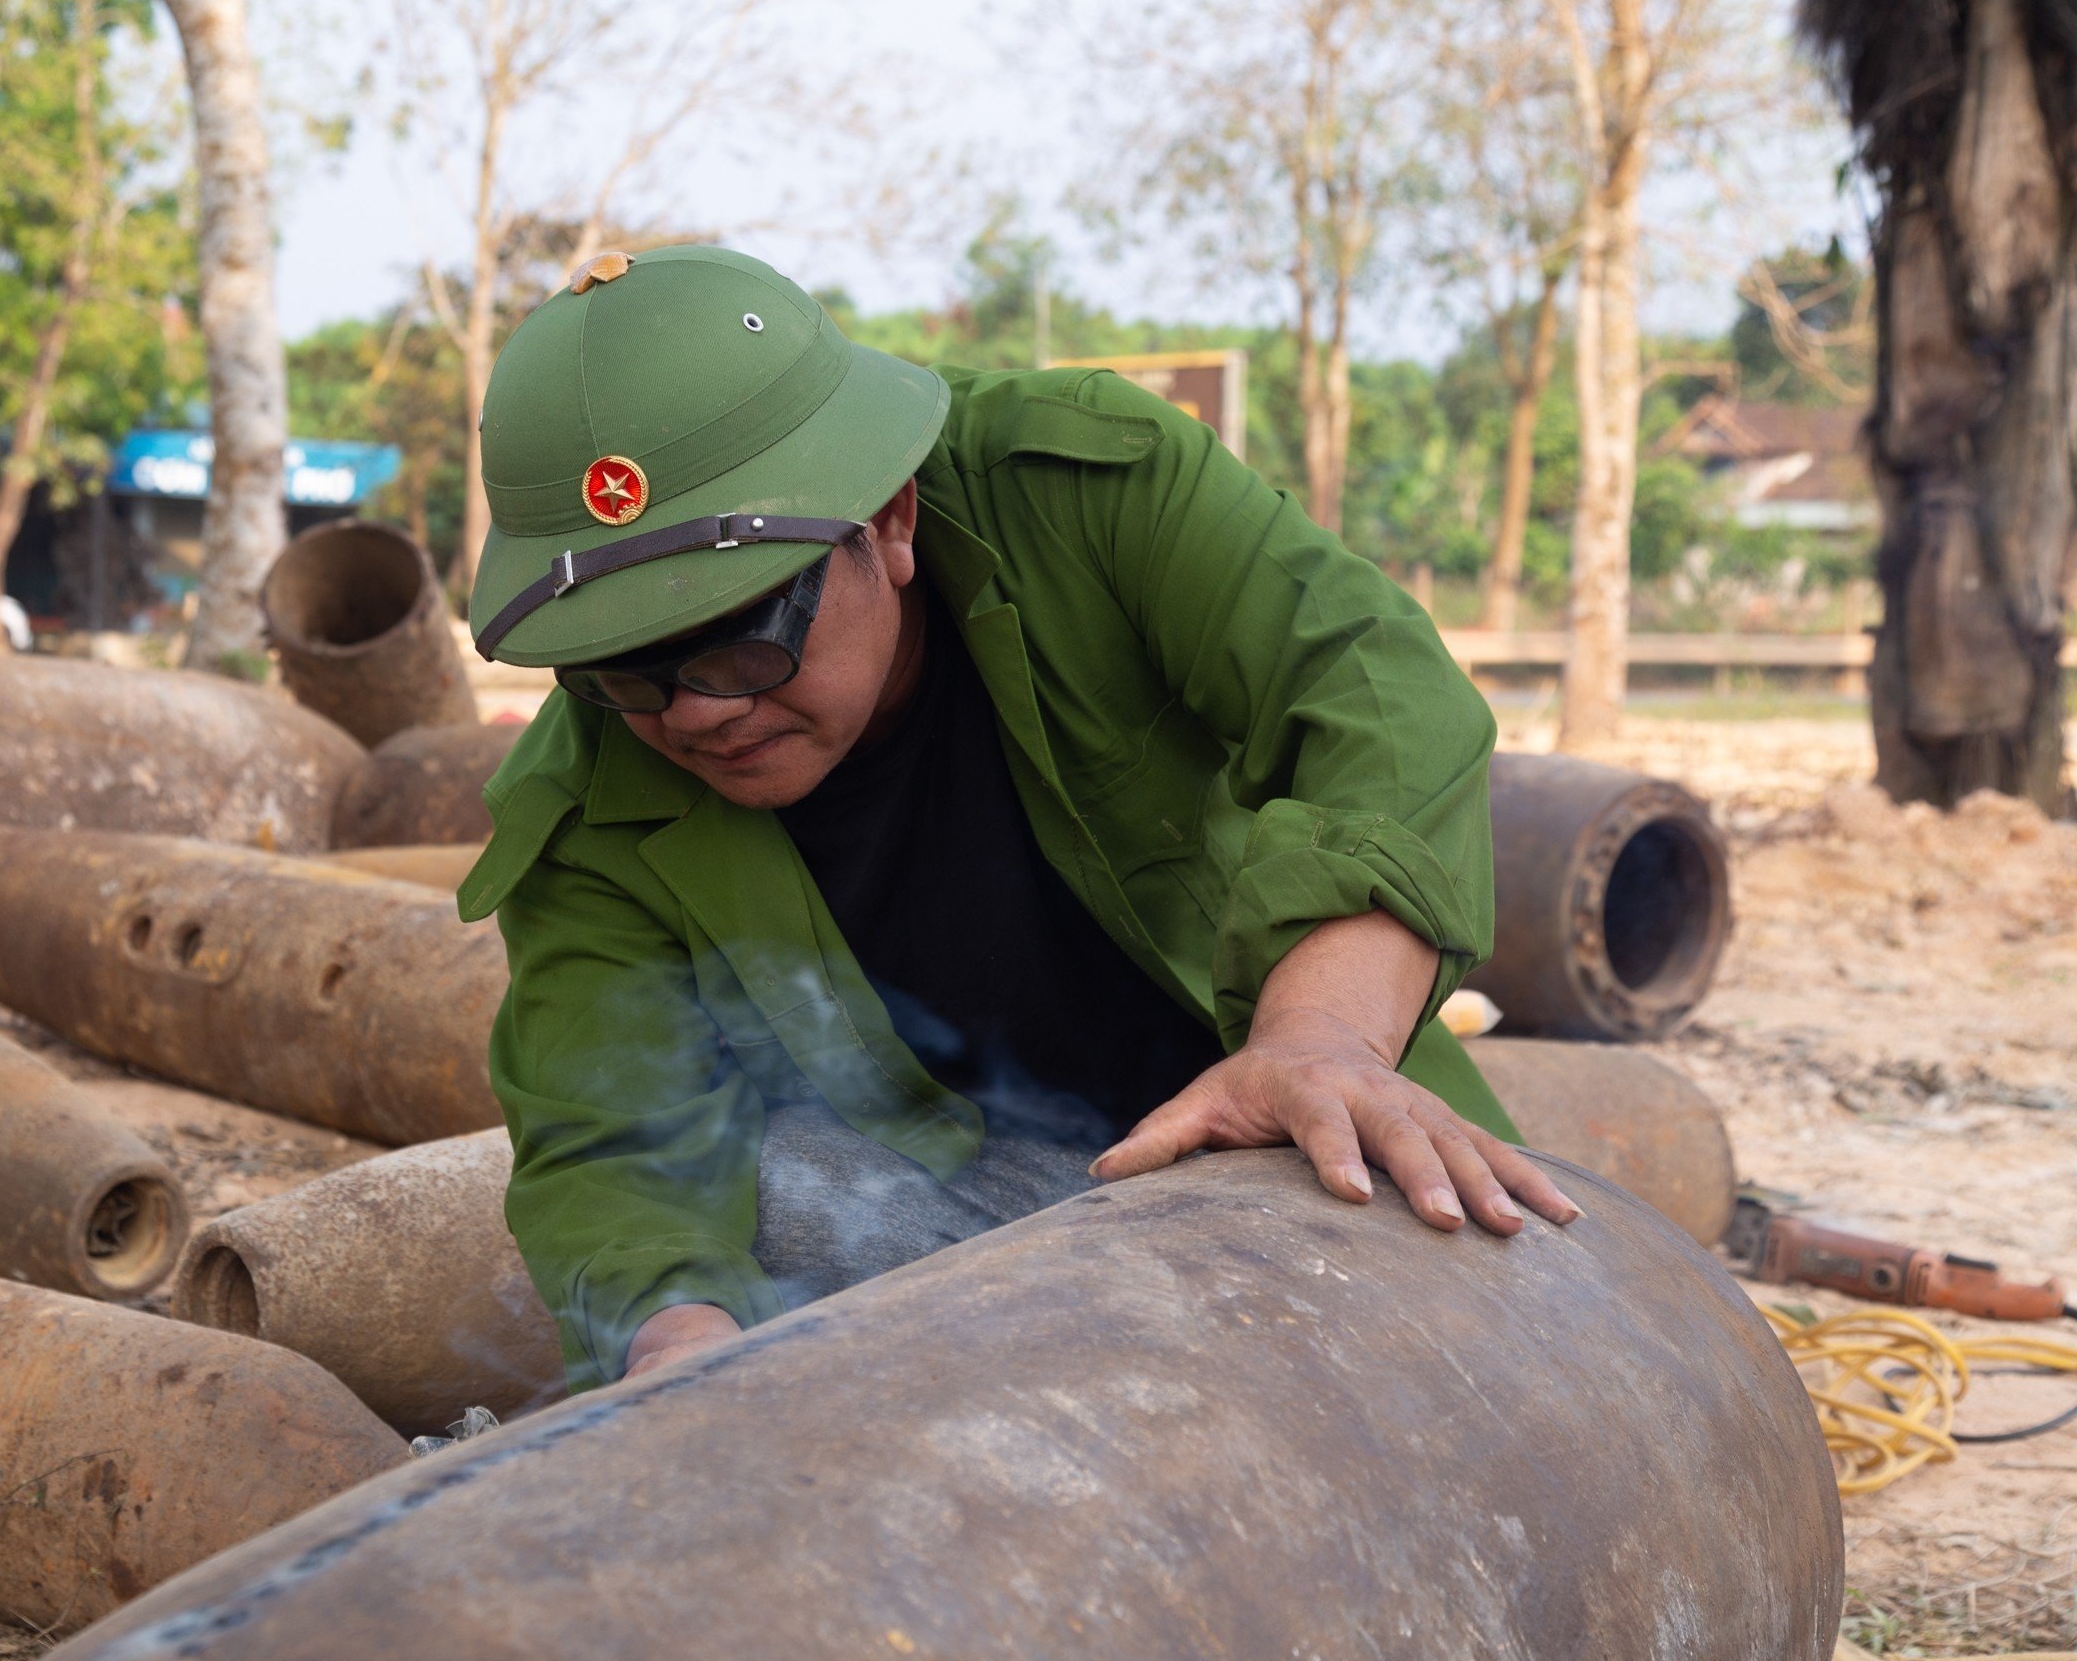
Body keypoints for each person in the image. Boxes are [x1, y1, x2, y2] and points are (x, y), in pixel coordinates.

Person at [454, 244, 1577, 1393]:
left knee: (1508, 1380)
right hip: (985, 1215)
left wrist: (1320, 1040)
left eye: (745, 638)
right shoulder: (586, 789)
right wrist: (680, 1351)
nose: (695, 711)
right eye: (623, 672)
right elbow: (611, 1135)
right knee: (789, 1201)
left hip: (1295, 1135)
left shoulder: (1082, 492)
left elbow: (1377, 696)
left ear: (886, 522)